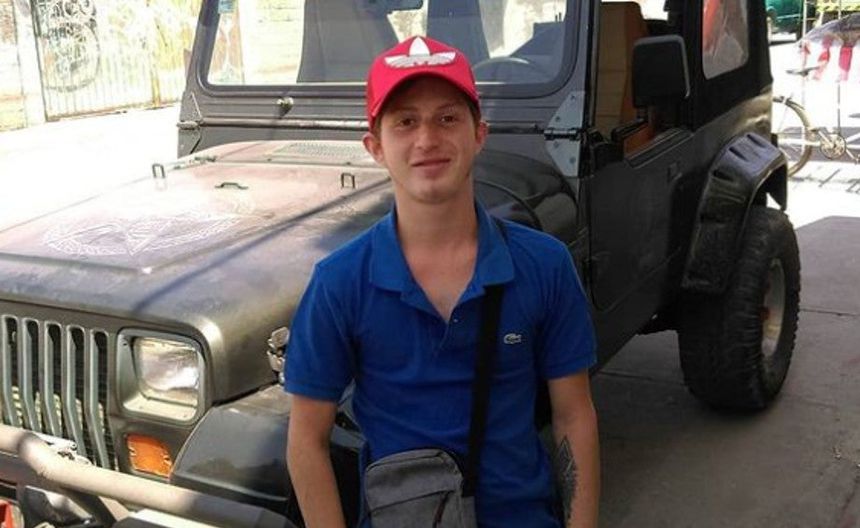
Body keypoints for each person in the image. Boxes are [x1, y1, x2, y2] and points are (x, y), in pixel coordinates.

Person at [285, 35, 599, 528]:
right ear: (375, 146)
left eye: (448, 118)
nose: (427, 139)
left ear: (479, 134)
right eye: (405, 121)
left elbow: (573, 415)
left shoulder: (544, 265)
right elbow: (306, 441)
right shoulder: (339, 283)